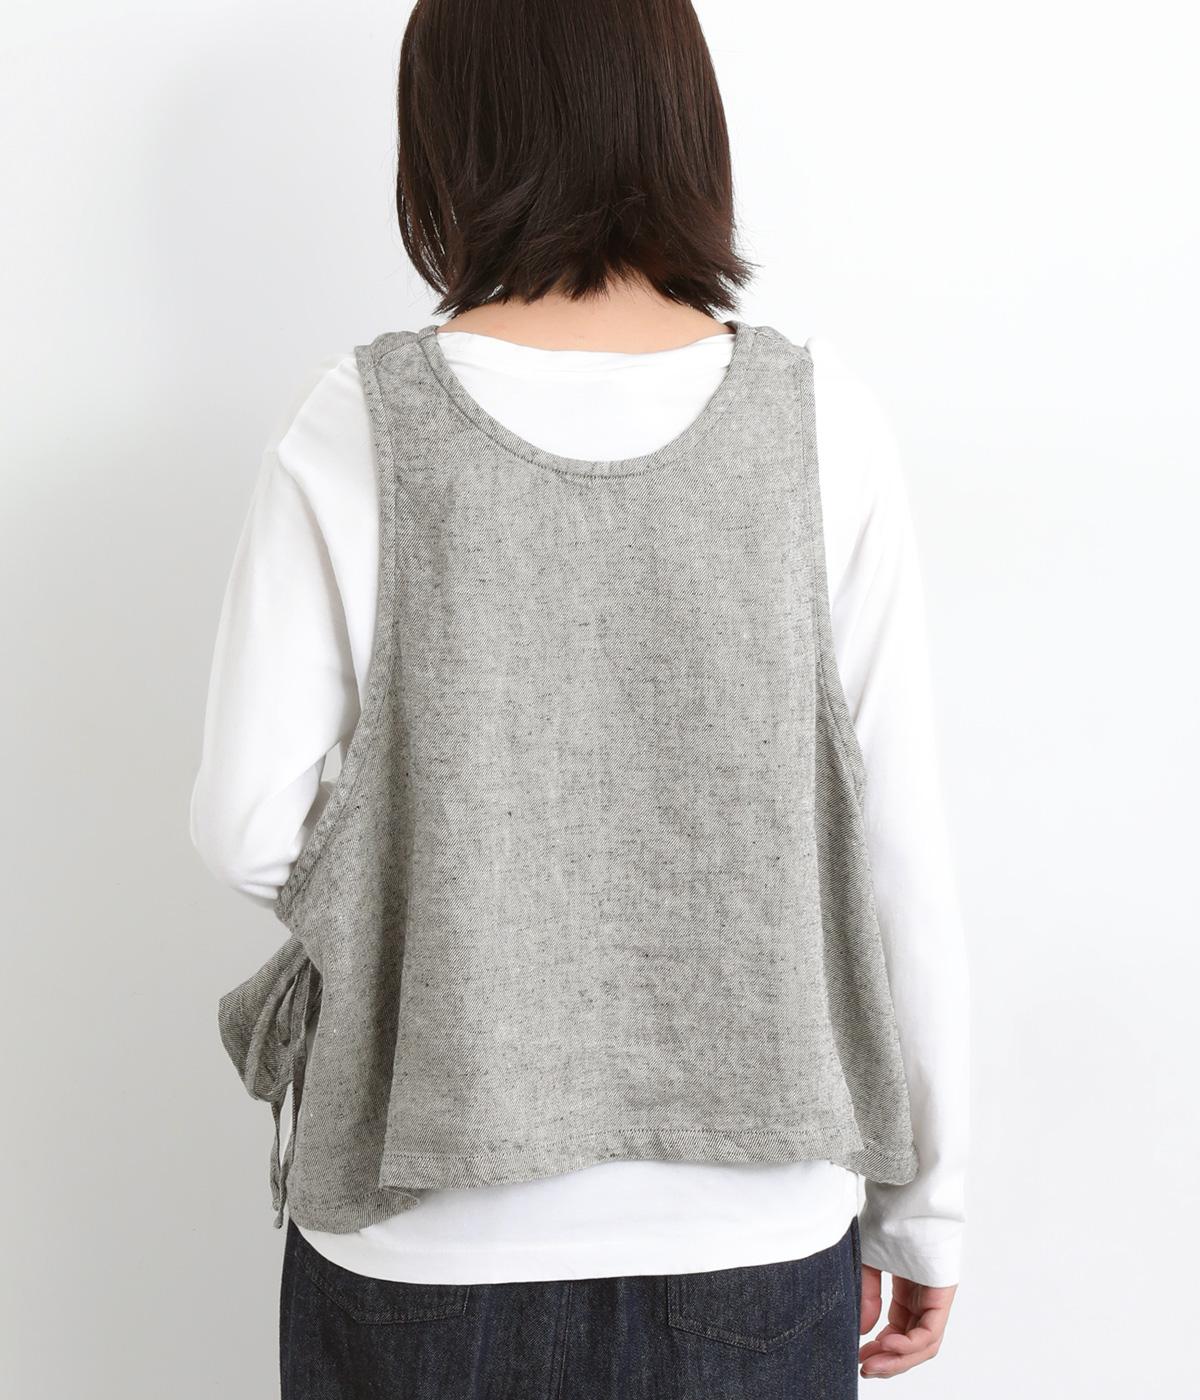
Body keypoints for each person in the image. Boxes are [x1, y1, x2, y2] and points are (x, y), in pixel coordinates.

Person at [190, 0, 969, 1393]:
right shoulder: (819, 421)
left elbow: (246, 827)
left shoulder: (359, 421)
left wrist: (460, 920)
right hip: (754, 1229)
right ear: (681, 120)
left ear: (447, 136)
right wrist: (928, 1208)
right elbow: (895, 853)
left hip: (425, 1232)